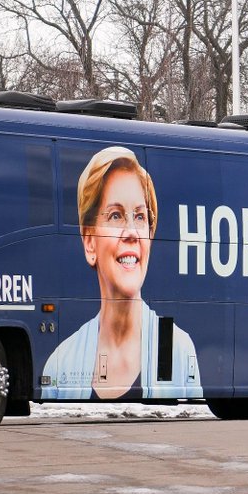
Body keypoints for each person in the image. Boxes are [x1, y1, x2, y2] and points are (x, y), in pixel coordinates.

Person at [42, 146, 201, 400]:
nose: (131, 232)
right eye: (116, 216)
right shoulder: (62, 363)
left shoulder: (177, 349)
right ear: (89, 242)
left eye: (140, 217)